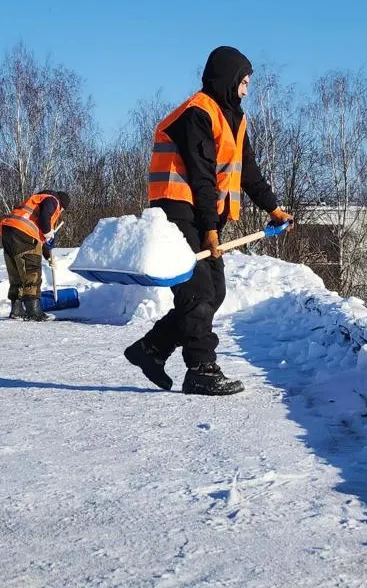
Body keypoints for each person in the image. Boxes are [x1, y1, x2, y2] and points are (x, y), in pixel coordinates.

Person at [125, 46, 293, 396]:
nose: (246, 89)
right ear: (228, 78)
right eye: (244, 82)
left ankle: (152, 348)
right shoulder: (197, 113)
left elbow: (248, 171)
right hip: (177, 208)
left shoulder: (234, 117)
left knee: (214, 291)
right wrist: (211, 230)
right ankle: (201, 368)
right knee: (197, 289)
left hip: (204, 215)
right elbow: (202, 178)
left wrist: (273, 208)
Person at [0, 190, 70, 321]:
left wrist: (48, 256)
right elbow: (44, 219)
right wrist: (48, 232)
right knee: (31, 270)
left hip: (9, 230)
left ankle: (17, 309)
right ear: (62, 205)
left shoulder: (36, 200)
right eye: (62, 210)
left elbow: (40, 239)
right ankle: (34, 311)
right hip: (24, 233)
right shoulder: (52, 200)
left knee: (17, 274)